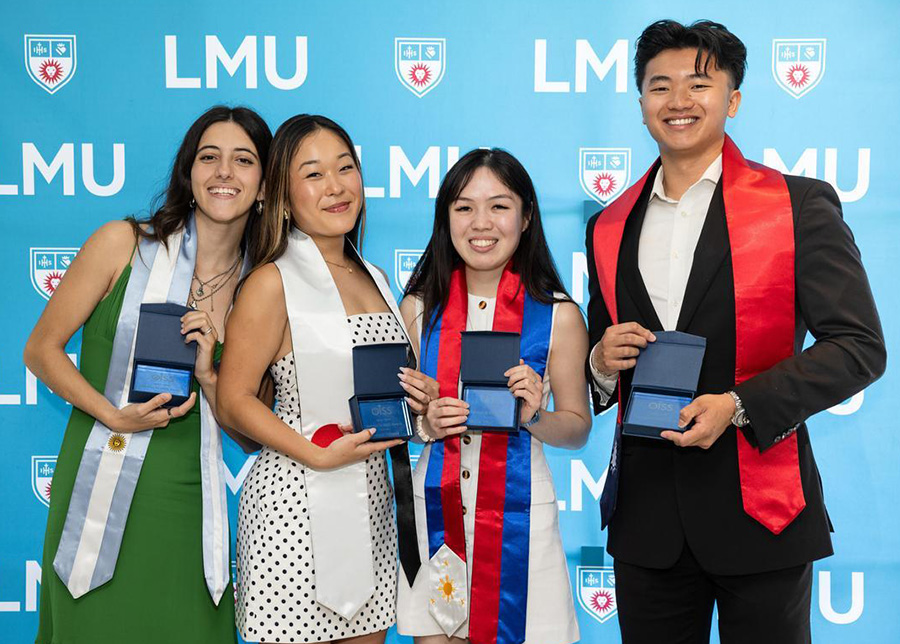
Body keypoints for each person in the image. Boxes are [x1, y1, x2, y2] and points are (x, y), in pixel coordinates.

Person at [585, 20, 887, 644]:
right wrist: (598, 362)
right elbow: (601, 355)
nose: (678, 101)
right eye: (658, 86)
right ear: (641, 103)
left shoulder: (797, 206)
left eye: (699, 84)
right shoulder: (609, 224)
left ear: (734, 99)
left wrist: (741, 405)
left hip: (763, 511)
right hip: (647, 524)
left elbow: (858, 347)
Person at [25, 105, 272, 644]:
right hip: (100, 481)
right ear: (189, 172)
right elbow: (41, 350)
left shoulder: (263, 290)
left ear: (263, 186)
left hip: (191, 500)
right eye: (209, 157)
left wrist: (210, 376)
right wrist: (110, 413)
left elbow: (252, 437)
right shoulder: (123, 243)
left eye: (243, 160)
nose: (224, 171)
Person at [216, 114, 423, 644]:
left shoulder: (375, 277)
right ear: (282, 194)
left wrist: (420, 401)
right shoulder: (270, 281)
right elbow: (234, 399)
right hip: (292, 512)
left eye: (345, 168)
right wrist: (316, 454)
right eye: (313, 174)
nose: (335, 187)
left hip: (373, 505)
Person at [396, 148, 589, 644]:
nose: (481, 223)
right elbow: (408, 420)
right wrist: (427, 425)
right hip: (437, 514)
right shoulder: (419, 307)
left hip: (521, 519)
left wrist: (533, 416)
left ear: (526, 217)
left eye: (499, 206)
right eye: (464, 207)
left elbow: (577, 427)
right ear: (446, 218)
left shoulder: (558, 316)